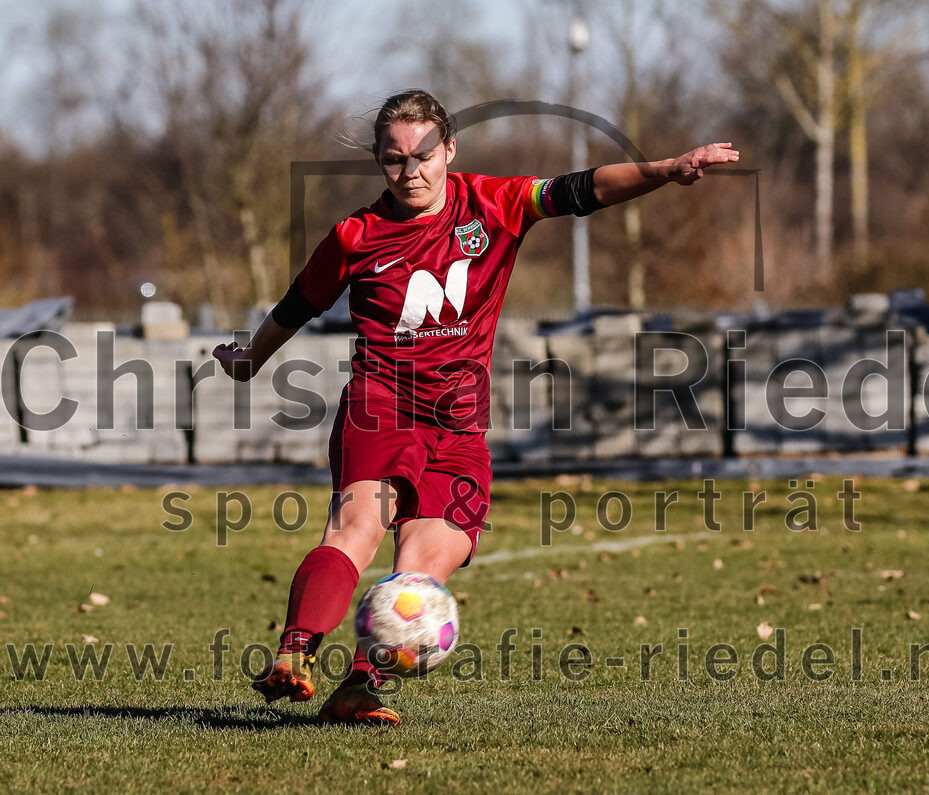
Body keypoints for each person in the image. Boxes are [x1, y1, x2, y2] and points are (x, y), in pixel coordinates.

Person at [213, 89, 739, 726]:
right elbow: (296, 306)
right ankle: (294, 652)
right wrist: (250, 360)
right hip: (380, 409)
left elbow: (581, 189)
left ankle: (358, 687)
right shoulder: (356, 234)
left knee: (426, 562)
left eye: (423, 155)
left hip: (460, 425)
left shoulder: (495, 203)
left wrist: (660, 170)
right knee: (356, 530)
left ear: (450, 149)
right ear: (380, 161)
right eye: (393, 159)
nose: (410, 173)